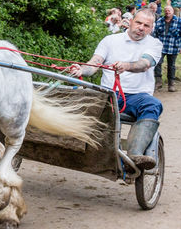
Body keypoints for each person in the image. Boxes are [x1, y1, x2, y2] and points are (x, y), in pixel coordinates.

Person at [69, 10, 162, 169]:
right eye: (139, 23)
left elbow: (144, 64)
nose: (141, 28)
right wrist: (81, 70)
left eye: (146, 26)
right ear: (131, 21)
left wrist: (127, 66)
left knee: (153, 105)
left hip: (137, 96)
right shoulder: (110, 40)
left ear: (151, 28)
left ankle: (135, 155)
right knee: (76, 98)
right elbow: (94, 64)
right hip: (107, 94)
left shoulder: (154, 44)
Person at [152, 4, 181, 92]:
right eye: (166, 11)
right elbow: (155, 35)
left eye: (169, 11)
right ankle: (158, 82)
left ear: (173, 12)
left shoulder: (179, 21)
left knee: (171, 65)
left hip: (173, 47)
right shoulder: (160, 21)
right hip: (161, 47)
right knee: (157, 63)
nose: (167, 12)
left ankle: (171, 84)